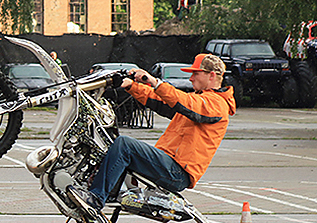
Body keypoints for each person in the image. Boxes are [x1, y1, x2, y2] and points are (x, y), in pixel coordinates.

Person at [71, 53, 236, 211]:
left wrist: (154, 81)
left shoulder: (216, 104)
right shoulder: (200, 99)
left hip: (177, 172)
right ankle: (102, 188)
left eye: (196, 74)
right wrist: (131, 85)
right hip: (169, 165)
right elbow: (161, 100)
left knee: (125, 145)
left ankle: (96, 199)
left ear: (212, 75)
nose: (191, 78)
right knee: (110, 142)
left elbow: (185, 101)